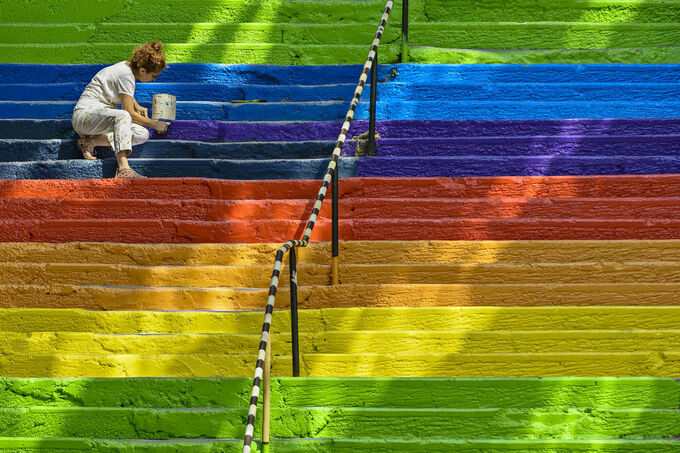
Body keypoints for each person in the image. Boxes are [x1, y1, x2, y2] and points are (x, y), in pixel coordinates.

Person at [71, 41, 170, 178]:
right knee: (123, 115)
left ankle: (90, 142)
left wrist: (136, 105)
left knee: (142, 133)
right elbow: (129, 114)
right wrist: (154, 123)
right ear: (142, 70)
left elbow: (124, 93)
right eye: (153, 76)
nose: (153, 80)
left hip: (97, 122)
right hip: (84, 116)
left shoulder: (126, 69)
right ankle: (124, 169)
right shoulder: (126, 75)